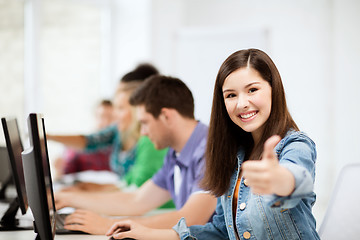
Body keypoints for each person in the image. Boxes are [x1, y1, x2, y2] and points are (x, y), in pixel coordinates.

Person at [106, 48, 320, 240]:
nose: (242, 103)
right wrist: (149, 234)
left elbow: (298, 177)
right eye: (231, 95)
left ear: (274, 89)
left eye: (253, 90)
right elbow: (220, 230)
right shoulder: (232, 154)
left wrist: (281, 180)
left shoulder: (295, 144)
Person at [55, 75, 217, 235]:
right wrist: (68, 198)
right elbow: (137, 200)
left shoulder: (210, 150)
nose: (143, 133)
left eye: (145, 123)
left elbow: (192, 218)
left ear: (167, 116)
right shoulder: (175, 153)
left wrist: (110, 225)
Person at [48, 63, 166, 189]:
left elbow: (135, 193)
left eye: (120, 108)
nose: (114, 115)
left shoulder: (149, 141)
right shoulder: (121, 132)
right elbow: (127, 185)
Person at [53, 99, 114, 179]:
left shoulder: (120, 147)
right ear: (95, 117)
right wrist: (58, 170)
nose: (106, 122)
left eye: (110, 117)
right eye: (102, 117)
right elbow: (64, 175)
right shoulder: (79, 146)